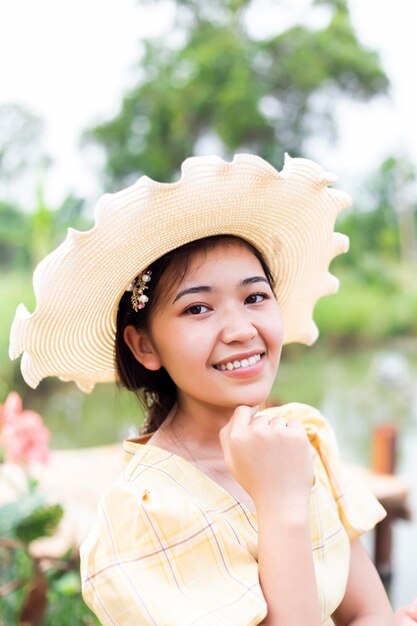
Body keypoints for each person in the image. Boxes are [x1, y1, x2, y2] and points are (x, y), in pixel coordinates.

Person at [9, 154, 394, 625]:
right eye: (197, 309)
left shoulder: (302, 437)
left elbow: (369, 612)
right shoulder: (142, 519)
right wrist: (280, 504)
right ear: (145, 344)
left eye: (255, 297)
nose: (239, 329)